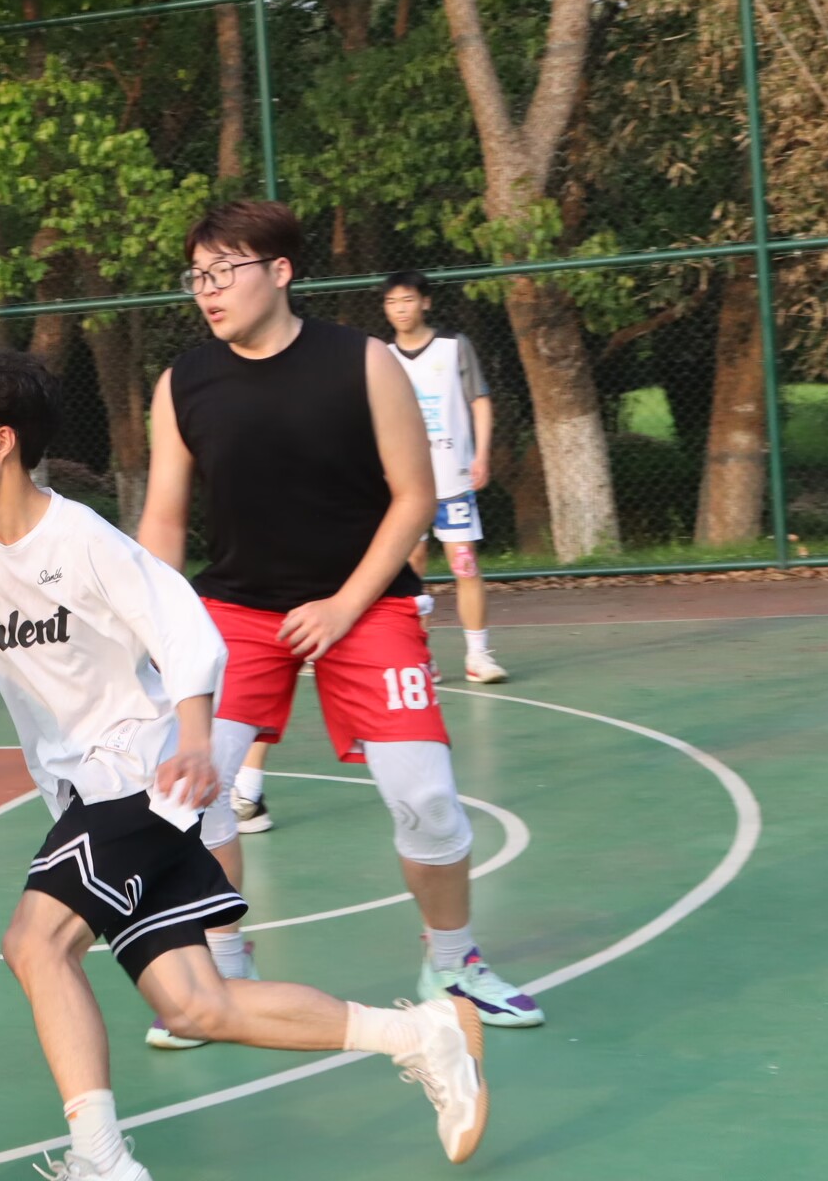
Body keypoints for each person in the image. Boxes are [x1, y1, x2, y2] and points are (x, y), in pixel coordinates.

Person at [0, 350, 490, 1177]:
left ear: (3, 441)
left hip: (142, 773)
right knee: (195, 1005)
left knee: (35, 943)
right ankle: (422, 1034)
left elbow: (183, 628)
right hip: (84, 792)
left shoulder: (83, 540)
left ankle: (100, 1158)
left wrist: (198, 742)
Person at [140, 201, 543, 1036]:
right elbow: (165, 522)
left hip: (366, 604)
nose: (207, 290)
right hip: (235, 611)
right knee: (193, 793)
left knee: (426, 798)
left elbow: (414, 497)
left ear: (280, 271)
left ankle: (452, 962)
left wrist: (344, 604)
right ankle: (223, 967)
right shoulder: (183, 383)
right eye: (197, 276)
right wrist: (150, 627)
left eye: (224, 271)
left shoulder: (364, 362)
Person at [382, 272, 508, 685]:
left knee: (464, 564)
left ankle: (478, 656)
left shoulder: (454, 347)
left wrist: (481, 455)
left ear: (425, 302)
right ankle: (419, 658)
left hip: (452, 478)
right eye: (392, 302)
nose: (400, 308)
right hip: (406, 486)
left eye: (407, 299)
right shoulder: (382, 356)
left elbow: (479, 401)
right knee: (410, 569)